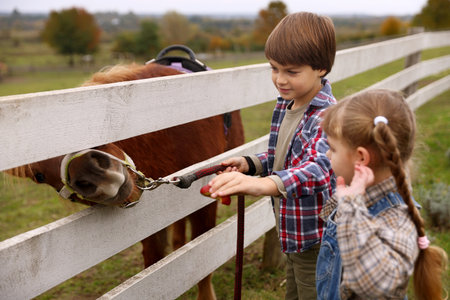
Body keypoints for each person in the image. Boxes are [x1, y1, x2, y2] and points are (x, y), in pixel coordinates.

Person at [207, 12, 337, 300]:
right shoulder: (287, 104)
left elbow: (318, 170)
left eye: (291, 72)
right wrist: (250, 165)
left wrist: (261, 185)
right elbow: (283, 155)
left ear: (321, 69)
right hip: (291, 234)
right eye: (274, 68)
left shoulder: (327, 117)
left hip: (316, 238)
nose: (280, 79)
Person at [316, 89, 447, 300]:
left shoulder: (396, 218)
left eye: (332, 148)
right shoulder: (358, 190)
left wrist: (350, 207)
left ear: (360, 158)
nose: (326, 154)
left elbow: (378, 283)